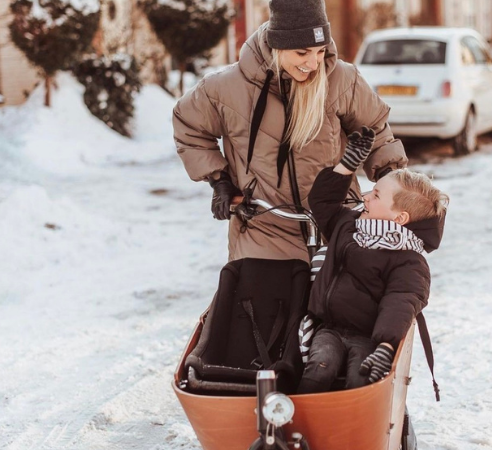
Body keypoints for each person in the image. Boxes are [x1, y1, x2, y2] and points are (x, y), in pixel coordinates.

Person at [172, 0, 407, 263]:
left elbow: (375, 129)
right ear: (277, 45)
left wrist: (390, 179)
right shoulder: (226, 88)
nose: (314, 63)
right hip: (263, 228)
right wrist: (220, 180)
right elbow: (188, 125)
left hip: (337, 224)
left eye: (320, 51)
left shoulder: (342, 79)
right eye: (302, 52)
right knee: (255, 302)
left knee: (345, 302)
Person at [297, 127, 448, 394]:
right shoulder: (349, 226)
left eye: (376, 196)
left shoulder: (409, 261)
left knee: (361, 380)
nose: (365, 196)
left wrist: (386, 347)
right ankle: (304, 424)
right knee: (320, 368)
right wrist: (347, 166)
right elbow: (322, 203)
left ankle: (357, 430)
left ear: (399, 218)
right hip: (329, 328)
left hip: (367, 336)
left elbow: (401, 302)